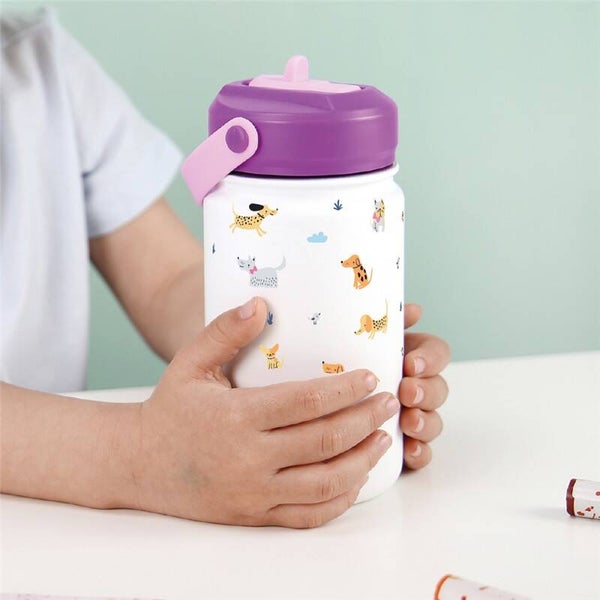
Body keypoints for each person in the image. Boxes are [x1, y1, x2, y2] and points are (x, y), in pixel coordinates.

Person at [0, 9, 450, 528]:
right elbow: (144, 454)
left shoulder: (40, 61)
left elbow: (168, 281)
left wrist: (311, 347)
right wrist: (142, 455)